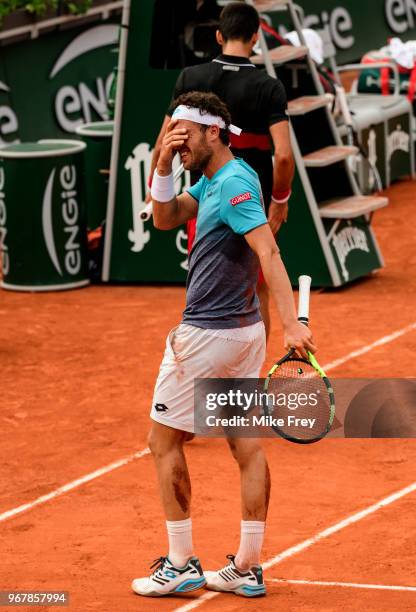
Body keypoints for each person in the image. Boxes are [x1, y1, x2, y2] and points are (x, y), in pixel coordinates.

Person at [132, 91, 315, 598]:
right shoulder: (220, 178)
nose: (177, 141)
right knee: (245, 446)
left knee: (163, 441)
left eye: (183, 134)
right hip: (241, 334)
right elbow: (165, 217)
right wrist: (165, 160)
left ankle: (181, 560)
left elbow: (269, 251)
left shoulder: (231, 183)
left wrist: (292, 326)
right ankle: (248, 567)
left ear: (214, 131)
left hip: (207, 336)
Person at [147, 1, 294, 338]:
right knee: (258, 293)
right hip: (251, 201)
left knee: (205, 286)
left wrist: (156, 185)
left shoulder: (191, 77)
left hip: (205, 201)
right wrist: (280, 199)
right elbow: (283, 155)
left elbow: (161, 144)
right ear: (255, 37)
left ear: (217, 35)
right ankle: (250, 376)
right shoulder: (268, 86)